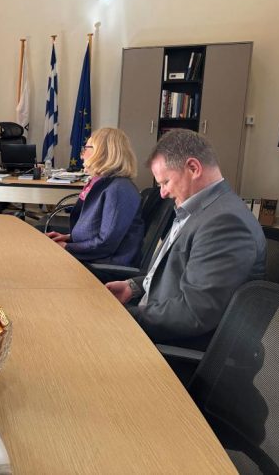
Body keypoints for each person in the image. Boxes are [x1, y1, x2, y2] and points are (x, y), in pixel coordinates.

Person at [106, 130, 266, 350]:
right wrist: (132, 287)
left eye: (165, 182)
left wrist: (123, 318)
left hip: (172, 345)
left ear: (193, 168)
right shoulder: (200, 209)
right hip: (155, 321)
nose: (162, 193)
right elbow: (177, 272)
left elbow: (195, 313)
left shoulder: (225, 223)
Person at [46, 128, 144, 266]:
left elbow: (105, 244)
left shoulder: (119, 190)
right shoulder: (105, 183)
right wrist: (69, 238)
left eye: (85, 149)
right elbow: (96, 229)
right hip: (93, 257)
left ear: (102, 152)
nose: (81, 155)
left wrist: (67, 247)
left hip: (104, 264)